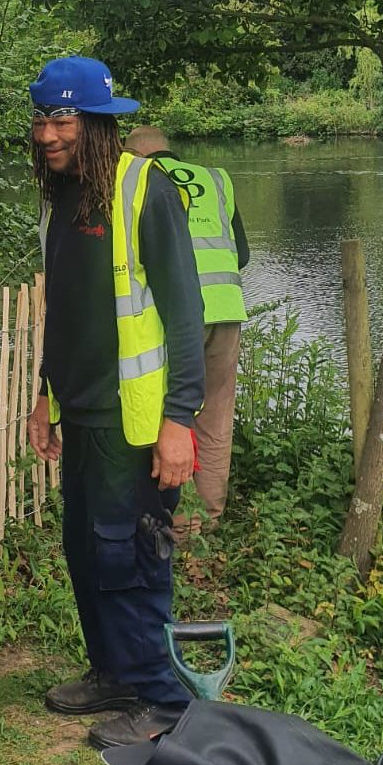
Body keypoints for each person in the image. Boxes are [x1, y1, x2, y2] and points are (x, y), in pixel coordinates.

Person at [25, 57, 206, 748]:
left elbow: (185, 315)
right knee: (84, 549)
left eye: (62, 119)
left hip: (136, 417)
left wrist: (179, 420)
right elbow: (65, 311)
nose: (47, 134)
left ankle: (162, 702)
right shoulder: (65, 197)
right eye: (41, 118)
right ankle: (114, 674)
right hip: (82, 410)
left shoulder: (145, 190)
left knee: (131, 553)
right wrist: (46, 396)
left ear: (97, 123)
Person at [126, 126, 249, 534]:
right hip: (226, 312)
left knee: (167, 415)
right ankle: (206, 519)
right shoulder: (216, 179)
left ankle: (170, 520)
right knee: (214, 417)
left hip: (174, 316)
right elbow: (242, 253)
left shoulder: (140, 184)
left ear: (138, 156)